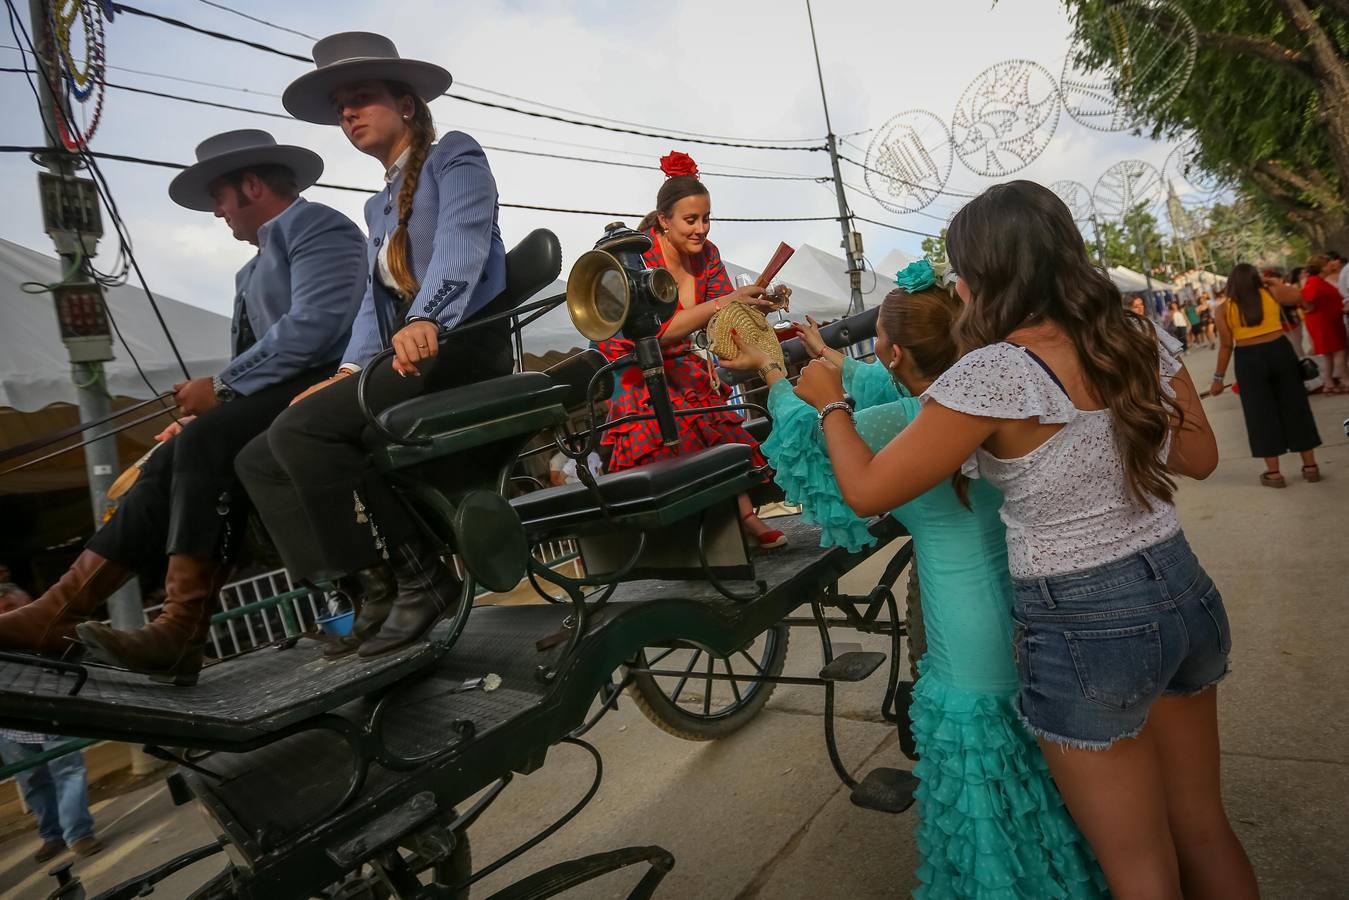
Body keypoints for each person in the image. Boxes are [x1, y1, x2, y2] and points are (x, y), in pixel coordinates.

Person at [793, 181, 1255, 899]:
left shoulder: (994, 374)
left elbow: (867, 489)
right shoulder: (1133, 335)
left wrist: (830, 404)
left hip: (1084, 622)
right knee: (1201, 825)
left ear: (985, 272)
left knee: (1139, 866)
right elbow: (1197, 460)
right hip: (1179, 584)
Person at [722, 266, 1108, 898]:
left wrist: (774, 373)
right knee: (1039, 777)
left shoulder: (905, 423)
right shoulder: (976, 399)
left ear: (893, 349)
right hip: (1026, 602)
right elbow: (894, 385)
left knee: (986, 783)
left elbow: (809, 440)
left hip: (966, 627)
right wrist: (830, 364)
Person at [0, 131, 366, 686]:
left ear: (251, 184)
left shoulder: (317, 225)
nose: (218, 212)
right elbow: (252, 360)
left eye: (219, 197)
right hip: (277, 398)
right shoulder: (249, 272)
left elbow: (317, 328)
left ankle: (180, 625)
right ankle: (60, 610)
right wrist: (206, 409)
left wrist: (220, 389)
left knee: (202, 442)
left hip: (332, 384)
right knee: (167, 460)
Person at [236, 33, 513, 657]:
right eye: (341, 106)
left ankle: (420, 575)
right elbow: (370, 301)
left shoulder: (453, 156)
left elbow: (461, 244)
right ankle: (364, 588)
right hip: (409, 353)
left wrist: (429, 319)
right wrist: (350, 368)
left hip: (460, 344)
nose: (348, 114)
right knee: (260, 454)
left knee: (300, 431)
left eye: (361, 99)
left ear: (407, 105)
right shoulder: (376, 204)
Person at [594, 150, 788, 549]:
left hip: (682, 362)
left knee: (717, 423)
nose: (701, 229)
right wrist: (725, 302)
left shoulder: (710, 255)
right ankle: (681, 537)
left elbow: (720, 316)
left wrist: (754, 307)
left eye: (706, 218)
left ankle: (745, 518)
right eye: (691, 220)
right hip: (635, 365)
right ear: (664, 221)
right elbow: (657, 332)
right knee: (658, 434)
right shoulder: (639, 256)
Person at [0, 582, 102, 861]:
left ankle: (78, 834)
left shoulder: (47, 627)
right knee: (31, 779)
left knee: (67, 769)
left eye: (9, 609)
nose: (4, 618)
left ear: (28, 604)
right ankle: (52, 834)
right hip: (10, 723)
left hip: (53, 708)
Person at [1213, 264, 1322, 486]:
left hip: (1248, 358)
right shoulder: (1271, 293)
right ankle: (1310, 467)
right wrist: (1275, 282)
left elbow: (1225, 346)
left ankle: (1274, 473)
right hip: (1280, 351)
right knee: (1296, 406)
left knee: (1259, 414)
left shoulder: (1224, 309)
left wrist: (1218, 379)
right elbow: (1298, 296)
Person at [1301, 254, 1348, 392]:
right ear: (1322, 267)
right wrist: (1309, 308)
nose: (1332, 265)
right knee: (1339, 351)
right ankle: (1345, 379)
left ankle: (1329, 382)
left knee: (1329, 353)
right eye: (1328, 263)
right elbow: (1305, 299)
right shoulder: (1314, 282)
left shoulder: (1317, 281)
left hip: (1328, 320)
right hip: (1325, 322)